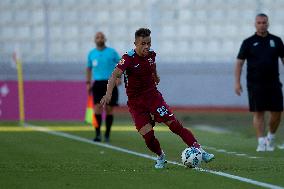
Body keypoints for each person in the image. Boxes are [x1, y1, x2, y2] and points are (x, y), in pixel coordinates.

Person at [100, 28, 214, 168]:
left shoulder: (151, 55)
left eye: (148, 43)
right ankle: (160, 156)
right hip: (136, 103)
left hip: (153, 97)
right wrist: (108, 93)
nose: (146, 46)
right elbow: (114, 75)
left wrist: (156, 76)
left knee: (175, 125)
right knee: (148, 136)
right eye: (143, 43)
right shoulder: (128, 58)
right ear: (135, 43)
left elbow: (152, 67)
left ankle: (200, 151)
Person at [234, 13, 284, 152]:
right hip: (255, 84)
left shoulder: (276, 41)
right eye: (259, 22)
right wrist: (237, 82)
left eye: (264, 22)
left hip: (274, 82)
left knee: (277, 112)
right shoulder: (248, 42)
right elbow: (239, 63)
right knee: (258, 112)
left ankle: (271, 137)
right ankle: (261, 142)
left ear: (268, 24)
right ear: (255, 24)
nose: (262, 25)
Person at [86, 32, 121, 142]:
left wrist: (118, 77)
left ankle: (107, 134)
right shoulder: (91, 53)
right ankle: (97, 134)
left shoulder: (112, 52)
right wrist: (88, 83)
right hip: (98, 84)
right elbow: (88, 69)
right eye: (97, 37)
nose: (100, 39)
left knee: (109, 109)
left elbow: (121, 64)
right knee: (97, 108)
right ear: (95, 40)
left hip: (110, 82)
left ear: (105, 39)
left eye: (101, 37)